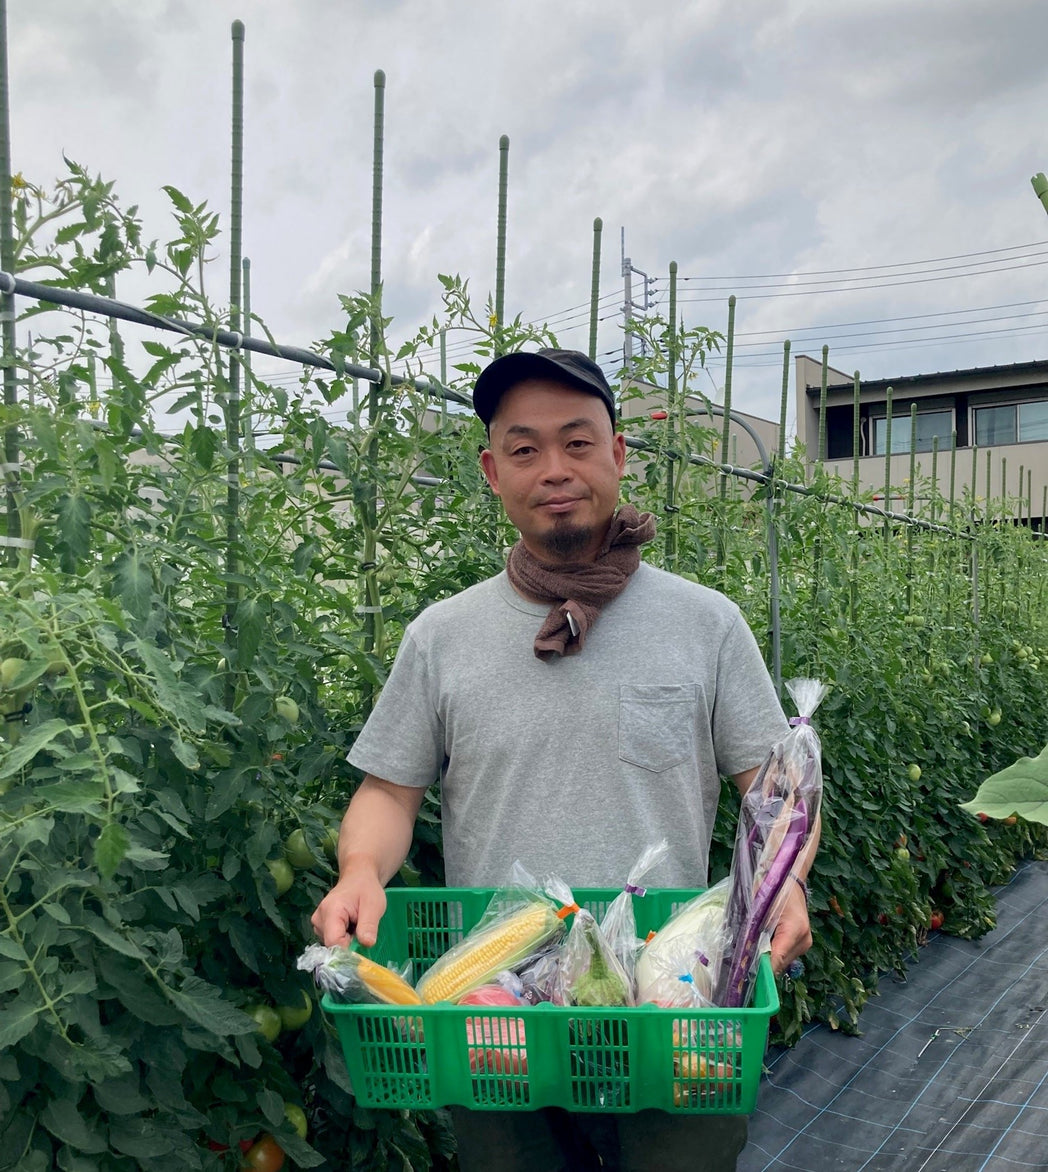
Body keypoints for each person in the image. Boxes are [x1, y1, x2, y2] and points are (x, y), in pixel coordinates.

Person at [312, 348, 816, 1172]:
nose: (555, 469)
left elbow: (776, 788)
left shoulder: (705, 624)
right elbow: (389, 790)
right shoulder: (443, 636)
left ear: (618, 454)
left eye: (579, 443)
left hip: (670, 993)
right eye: (524, 448)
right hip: (496, 1001)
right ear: (491, 470)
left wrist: (787, 877)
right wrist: (361, 866)